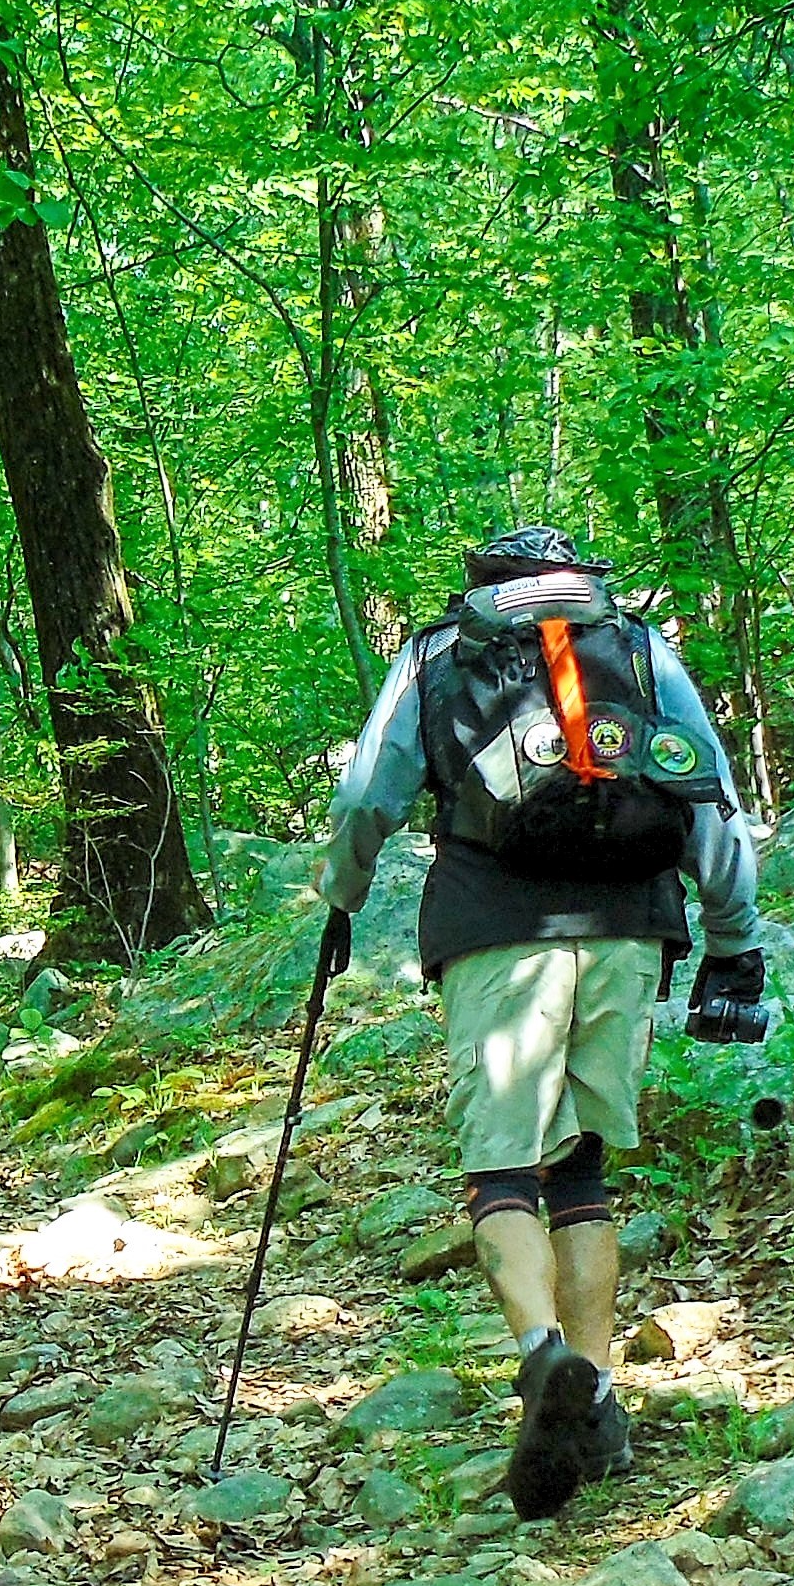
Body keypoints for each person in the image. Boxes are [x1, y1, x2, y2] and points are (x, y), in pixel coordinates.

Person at [316, 527, 767, 1522]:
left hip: (492, 928)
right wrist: (733, 938)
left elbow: (366, 796)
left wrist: (341, 898)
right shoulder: (639, 649)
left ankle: (540, 1362)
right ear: (576, 581)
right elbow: (709, 800)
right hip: (626, 924)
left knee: (502, 1170)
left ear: (483, 585)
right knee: (583, 1171)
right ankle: (597, 1399)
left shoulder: (439, 653)